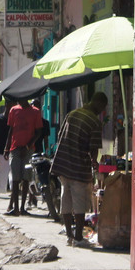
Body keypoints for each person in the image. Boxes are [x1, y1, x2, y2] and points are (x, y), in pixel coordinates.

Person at [50, 92, 107, 247]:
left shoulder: (71, 114)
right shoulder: (94, 122)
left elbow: (61, 135)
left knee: (66, 200)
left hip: (63, 164)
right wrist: (94, 163)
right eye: (102, 108)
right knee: (80, 203)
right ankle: (79, 238)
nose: (101, 111)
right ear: (99, 104)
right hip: (78, 166)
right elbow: (93, 149)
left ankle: (69, 236)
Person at [4, 98, 42, 215]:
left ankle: (22, 207)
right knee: (15, 179)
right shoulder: (13, 110)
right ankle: (15, 208)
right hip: (15, 149)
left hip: (28, 150)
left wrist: (27, 146)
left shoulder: (35, 112)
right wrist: (7, 147)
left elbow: (38, 131)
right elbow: (11, 130)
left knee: (26, 178)